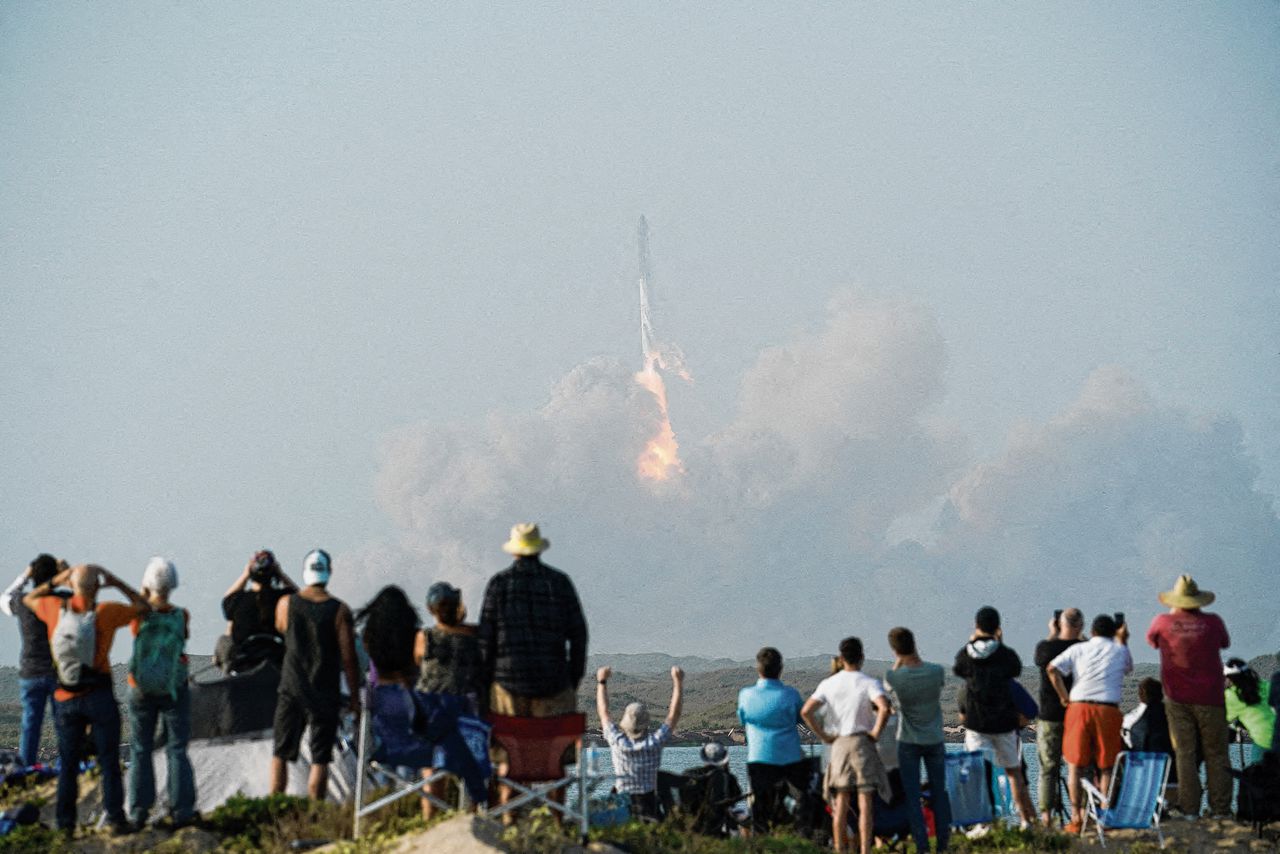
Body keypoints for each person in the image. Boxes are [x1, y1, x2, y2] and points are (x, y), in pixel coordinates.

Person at [23, 564, 149, 837]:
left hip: (65, 697)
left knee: (68, 764)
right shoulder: (105, 612)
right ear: (96, 587)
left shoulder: (55, 609)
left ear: (72, 584)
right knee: (109, 760)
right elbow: (143, 607)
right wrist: (116, 581)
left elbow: (28, 599)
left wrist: (58, 578)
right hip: (99, 695)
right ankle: (116, 818)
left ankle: (65, 824)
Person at [478, 523, 588, 812]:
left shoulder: (498, 585)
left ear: (515, 551)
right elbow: (578, 635)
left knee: (508, 759)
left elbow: (485, 642)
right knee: (554, 763)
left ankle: (509, 819)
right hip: (555, 685)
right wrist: (571, 680)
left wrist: (485, 686)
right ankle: (557, 821)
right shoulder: (559, 583)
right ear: (538, 549)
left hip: (506, 687)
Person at [357, 585, 487, 813]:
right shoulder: (471, 640)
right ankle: (467, 814)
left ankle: (413, 812)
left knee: (422, 763)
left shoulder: (417, 639)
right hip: (454, 720)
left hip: (397, 719)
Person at [269, 549, 361, 800]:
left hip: (291, 686)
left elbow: (280, 627)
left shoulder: (286, 604)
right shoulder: (340, 610)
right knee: (320, 757)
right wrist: (354, 697)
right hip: (325, 689)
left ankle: (274, 805)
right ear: (328, 573)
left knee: (281, 752)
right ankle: (315, 810)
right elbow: (349, 657)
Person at [1145, 574, 1232, 818]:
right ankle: (1221, 809)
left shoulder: (1162, 621)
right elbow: (1224, 642)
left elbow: (1151, 641)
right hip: (1212, 697)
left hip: (1177, 698)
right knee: (1216, 753)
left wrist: (1174, 616)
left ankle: (1190, 808)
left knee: (1184, 753)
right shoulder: (1213, 622)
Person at [801, 637, 891, 854]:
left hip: (839, 743)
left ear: (841, 659)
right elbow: (884, 708)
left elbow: (806, 711)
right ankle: (864, 850)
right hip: (862, 742)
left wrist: (823, 734)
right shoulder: (868, 682)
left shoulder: (829, 684)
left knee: (840, 800)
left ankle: (840, 848)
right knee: (865, 801)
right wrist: (875, 733)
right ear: (861, 658)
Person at [125, 557, 196, 829]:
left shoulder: (138, 615)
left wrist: (143, 592)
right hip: (173, 687)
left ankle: (139, 811)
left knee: (140, 748)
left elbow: (137, 624)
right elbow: (183, 637)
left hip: (140, 687)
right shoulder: (182, 615)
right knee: (177, 748)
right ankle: (182, 810)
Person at [1046, 613, 1133, 834]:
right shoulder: (1119, 649)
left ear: (1091, 631)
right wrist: (1122, 640)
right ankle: (1104, 814)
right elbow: (1128, 668)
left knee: (1075, 764)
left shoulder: (1079, 649)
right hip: (1107, 708)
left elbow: (1052, 669)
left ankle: (1076, 816)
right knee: (1106, 766)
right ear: (1114, 631)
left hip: (1079, 707)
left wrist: (1064, 697)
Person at [952, 605, 1036, 827]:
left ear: (976, 626)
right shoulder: (1005, 655)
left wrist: (973, 641)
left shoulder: (967, 654)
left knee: (979, 774)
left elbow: (959, 668)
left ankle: (984, 823)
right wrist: (999, 643)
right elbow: (1015, 669)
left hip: (977, 723)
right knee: (1013, 771)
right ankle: (1025, 820)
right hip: (1004, 722)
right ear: (998, 628)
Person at [414, 581, 483, 818]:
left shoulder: (425, 638)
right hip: (466, 715)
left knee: (431, 769)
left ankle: (430, 816)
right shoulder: (474, 636)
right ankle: (474, 814)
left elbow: (417, 661)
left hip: (431, 713)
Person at [884, 627, 951, 853]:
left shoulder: (895, 676)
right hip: (934, 738)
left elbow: (886, 691)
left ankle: (922, 847)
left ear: (895, 650)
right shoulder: (936, 672)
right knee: (939, 793)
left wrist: (898, 662)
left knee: (912, 797)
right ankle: (943, 845)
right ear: (914, 643)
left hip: (909, 740)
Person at [736, 647, 812, 835]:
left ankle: (762, 845)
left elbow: (742, 719)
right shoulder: (790, 695)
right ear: (780, 668)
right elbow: (801, 717)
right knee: (801, 806)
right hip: (791, 761)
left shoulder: (746, 695)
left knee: (760, 810)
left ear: (758, 668)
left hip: (759, 760)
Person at [595, 664, 684, 819]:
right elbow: (673, 715)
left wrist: (602, 682)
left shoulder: (617, 742)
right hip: (648, 804)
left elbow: (604, 713)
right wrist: (678, 682)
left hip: (622, 804)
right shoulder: (654, 743)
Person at [1, 554, 63, 766]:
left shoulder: (25, 602)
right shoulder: (62, 601)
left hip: (31, 671)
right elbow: (84, 595)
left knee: (30, 723)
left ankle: (25, 768)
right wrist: (65, 574)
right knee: (63, 723)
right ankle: (65, 768)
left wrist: (24, 575)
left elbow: (6, 598)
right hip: (58, 673)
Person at [1032, 607, 1083, 825]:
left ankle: (1046, 817)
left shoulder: (1045, 648)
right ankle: (1077, 814)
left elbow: (1041, 659)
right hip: (1076, 714)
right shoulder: (1083, 648)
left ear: (1059, 623)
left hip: (1049, 715)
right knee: (1078, 766)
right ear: (1080, 625)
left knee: (1047, 768)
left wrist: (1053, 633)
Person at [217, 550, 297, 674]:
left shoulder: (239, 600)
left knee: (225, 637)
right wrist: (281, 574)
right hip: (277, 660)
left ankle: (226, 675)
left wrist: (245, 575)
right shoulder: (284, 599)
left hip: (244, 663)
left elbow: (227, 599)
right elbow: (303, 600)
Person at [679, 742, 746, 837]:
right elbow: (734, 799)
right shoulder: (727, 777)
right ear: (724, 758)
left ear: (703, 756)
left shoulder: (687, 774)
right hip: (716, 828)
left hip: (690, 825)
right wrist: (726, 771)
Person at [1224, 658, 1275, 762]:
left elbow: (1223, 718)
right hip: (1276, 732)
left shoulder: (1232, 695)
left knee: (1256, 774)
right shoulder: (1263, 685)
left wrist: (1236, 724)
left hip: (1264, 740)